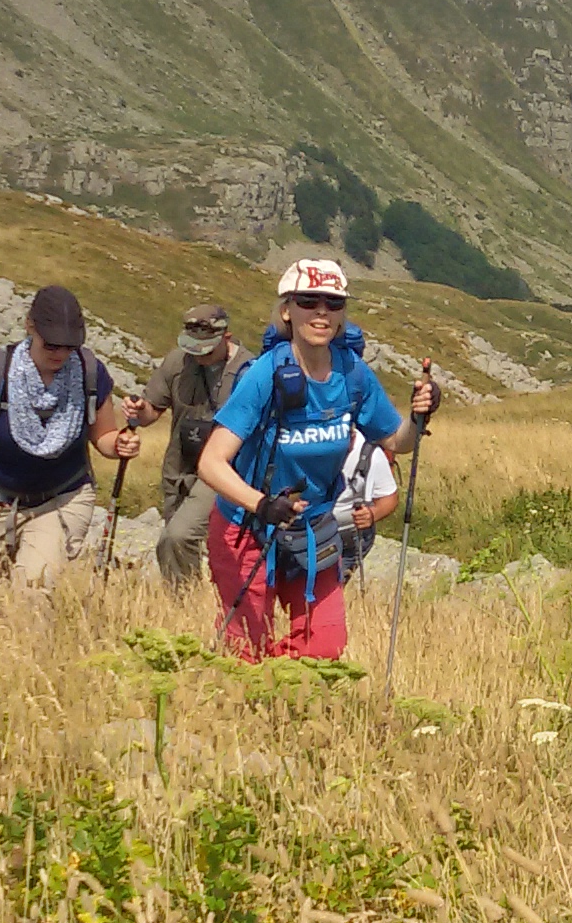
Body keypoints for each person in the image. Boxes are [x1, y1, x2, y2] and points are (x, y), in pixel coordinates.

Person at [194, 259, 437, 659]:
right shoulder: (265, 375)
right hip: (248, 527)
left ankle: (292, 706)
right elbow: (211, 462)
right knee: (246, 652)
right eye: (309, 301)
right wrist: (261, 503)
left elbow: (396, 439)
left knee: (324, 645)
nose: (322, 311)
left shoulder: (353, 374)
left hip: (312, 531)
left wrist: (418, 416)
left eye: (334, 303)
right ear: (287, 310)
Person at [0, 285, 139, 590]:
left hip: (61, 498)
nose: (61, 354)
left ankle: (32, 638)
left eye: (69, 346)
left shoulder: (90, 373)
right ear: (30, 327)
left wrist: (119, 444)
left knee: (34, 588)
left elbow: (102, 436)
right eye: (51, 345)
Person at [127, 303, 243, 586]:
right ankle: (187, 609)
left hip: (221, 472)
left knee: (177, 536)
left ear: (226, 337)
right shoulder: (176, 362)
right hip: (178, 469)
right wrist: (139, 411)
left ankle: (188, 604)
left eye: (206, 348)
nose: (198, 355)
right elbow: (151, 411)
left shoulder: (247, 371)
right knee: (176, 544)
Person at [338, 439, 402, 580]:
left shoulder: (370, 453)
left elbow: (389, 496)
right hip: (305, 535)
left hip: (349, 540)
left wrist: (372, 514)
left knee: (326, 595)